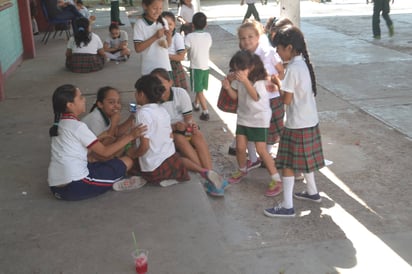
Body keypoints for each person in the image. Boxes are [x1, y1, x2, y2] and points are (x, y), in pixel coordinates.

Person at [264, 26, 325, 218]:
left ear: (289, 48)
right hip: (309, 119)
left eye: (279, 49)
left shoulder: (292, 69)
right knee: (306, 160)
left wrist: (277, 83)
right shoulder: (303, 63)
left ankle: (287, 205)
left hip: (296, 123)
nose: (278, 52)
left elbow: (287, 100)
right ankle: (313, 192)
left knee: (287, 164)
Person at [47, 84, 147, 201]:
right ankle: (117, 181)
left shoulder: (61, 124)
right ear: (70, 105)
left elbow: (80, 150)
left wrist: (100, 137)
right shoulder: (78, 126)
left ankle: (110, 177)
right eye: (80, 97)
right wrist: (131, 136)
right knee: (127, 161)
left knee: (106, 159)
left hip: (56, 187)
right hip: (76, 186)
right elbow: (104, 152)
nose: (84, 99)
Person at [126, 75, 224, 193]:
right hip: (170, 160)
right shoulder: (162, 110)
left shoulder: (142, 113)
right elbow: (170, 136)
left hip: (154, 169)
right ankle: (205, 172)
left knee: (129, 161)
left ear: (141, 94)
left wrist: (133, 154)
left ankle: (147, 179)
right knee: (179, 160)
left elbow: (144, 147)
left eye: (136, 92)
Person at [151, 68, 228, 195]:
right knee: (179, 139)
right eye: (154, 83)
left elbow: (189, 118)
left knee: (197, 135)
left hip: (183, 127)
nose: (158, 86)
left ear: (170, 82)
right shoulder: (154, 100)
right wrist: (174, 127)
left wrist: (189, 126)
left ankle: (210, 174)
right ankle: (210, 176)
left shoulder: (180, 93)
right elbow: (157, 128)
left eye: (161, 82)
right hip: (168, 132)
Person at [222, 51, 282, 195]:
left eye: (240, 69)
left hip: (259, 119)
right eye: (235, 70)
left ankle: (276, 179)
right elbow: (236, 96)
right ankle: (242, 169)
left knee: (261, 150)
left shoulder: (260, 82)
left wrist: (245, 81)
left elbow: (255, 97)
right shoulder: (239, 80)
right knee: (240, 147)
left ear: (252, 67)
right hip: (243, 117)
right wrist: (228, 87)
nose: (237, 73)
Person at [237, 20, 284, 197]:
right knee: (253, 133)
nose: (247, 40)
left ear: (258, 36)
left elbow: (281, 71)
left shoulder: (268, 52)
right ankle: (254, 160)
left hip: (271, 99)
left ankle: (290, 165)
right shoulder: (242, 56)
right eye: (243, 38)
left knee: (275, 133)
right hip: (252, 102)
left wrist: (275, 82)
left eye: (250, 37)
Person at [81, 86, 135, 161]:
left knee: (124, 138)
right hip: (86, 157)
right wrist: (114, 124)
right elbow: (103, 149)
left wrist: (132, 117)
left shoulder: (106, 114)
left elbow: (117, 132)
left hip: (97, 151)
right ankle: (110, 165)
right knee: (125, 150)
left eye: (118, 102)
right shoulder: (95, 119)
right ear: (100, 104)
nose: (116, 106)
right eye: (111, 102)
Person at [185, 12, 212, 121]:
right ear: (205, 25)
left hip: (196, 67)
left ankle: (205, 111)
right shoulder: (208, 36)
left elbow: (184, 50)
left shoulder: (189, 37)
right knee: (199, 88)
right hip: (206, 66)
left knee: (199, 89)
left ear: (193, 25)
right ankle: (196, 104)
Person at [133, 0, 171, 75]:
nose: (158, 11)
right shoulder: (140, 24)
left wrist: (169, 36)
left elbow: (168, 45)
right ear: (145, 6)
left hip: (165, 67)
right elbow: (138, 48)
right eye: (154, 8)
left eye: (160, 8)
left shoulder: (163, 21)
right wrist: (155, 37)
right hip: (149, 69)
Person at [162, 11, 188, 90]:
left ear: (174, 24)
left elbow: (181, 57)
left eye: (170, 24)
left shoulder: (177, 37)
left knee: (175, 91)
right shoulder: (159, 36)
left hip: (174, 67)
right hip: (161, 67)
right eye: (164, 24)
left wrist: (166, 56)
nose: (167, 27)